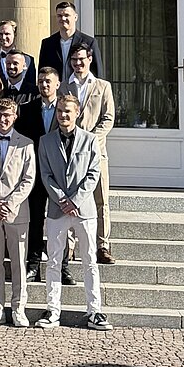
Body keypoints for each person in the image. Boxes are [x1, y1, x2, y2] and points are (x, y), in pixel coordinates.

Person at [35, 94, 112, 331]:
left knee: (89, 260)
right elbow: (45, 175)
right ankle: (53, 309)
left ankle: (94, 311)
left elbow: (93, 174)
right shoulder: (45, 141)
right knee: (54, 261)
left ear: (77, 113)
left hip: (84, 209)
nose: (63, 115)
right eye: (59, 111)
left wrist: (75, 200)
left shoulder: (90, 140)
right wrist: (61, 199)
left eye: (67, 111)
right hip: (57, 209)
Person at [0, 98, 36, 328]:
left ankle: (19, 307)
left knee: (18, 262)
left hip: (17, 212)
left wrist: (9, 204)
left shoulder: (26, 144)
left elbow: (28, 179)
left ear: (15, 117)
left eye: (8, 115)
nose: (3, 119)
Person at [66, 44, 116, 264]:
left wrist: (92, 138)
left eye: (81, 59)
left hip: (96, 151)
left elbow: (108, 117)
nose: (78, 63)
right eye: (74, 60)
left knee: (101, 199)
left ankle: (102, 245)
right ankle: (69, 248)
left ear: (90, 59)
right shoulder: (64, 87)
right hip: (70, 151)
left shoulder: (103, 86)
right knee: (68, 199)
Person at [16, 67, 64, 283]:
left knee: (60, 221)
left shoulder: (65, 109)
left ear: (58, 84)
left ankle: (62, 266)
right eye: (41, 81)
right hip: (35, 172)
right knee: (35, 220)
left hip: (59, 174)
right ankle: (33, 263)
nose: (44, 85)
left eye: (48, 82)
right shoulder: (27, 109)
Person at [37, 0, 103, 81]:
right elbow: (42, 71)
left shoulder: (89, 42)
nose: (63, 18)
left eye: (66, 15)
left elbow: (97, 72)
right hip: (56, 91)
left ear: (75, 17)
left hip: (80, 90)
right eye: (59, 16)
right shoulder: (48, 43)